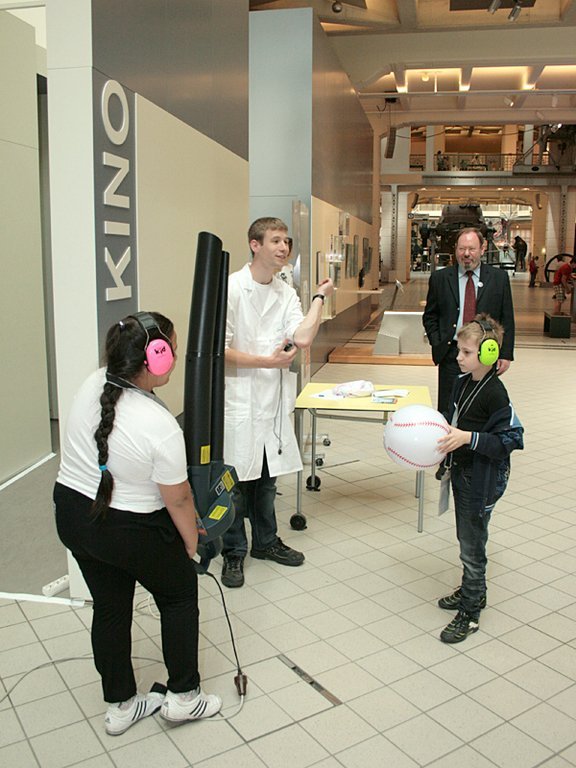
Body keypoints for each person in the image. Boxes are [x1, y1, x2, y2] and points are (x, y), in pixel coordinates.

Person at [53, 312, 221, 735]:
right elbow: (178, 499)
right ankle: (184, 697)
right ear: (155, 358)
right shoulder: (160, 426)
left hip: (73, 516)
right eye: (172, 349)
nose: (175, 356)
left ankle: (121, 705)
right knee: (179, 594)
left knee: (110, 606)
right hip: (125, 528)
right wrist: (190, 544)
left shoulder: (94, 382)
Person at [221, 217, 334, 588]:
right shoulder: (232, 288)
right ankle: (233, 552)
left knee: (267, 479)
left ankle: (265, 542)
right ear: (255, 245)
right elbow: (219, 350)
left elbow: (302, 337)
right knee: (235, 484)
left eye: (286, 241)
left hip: (272, 400)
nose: (284, 247)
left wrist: (319, 298)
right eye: (275, 241)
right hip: (239, 398)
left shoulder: (286, 292)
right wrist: (265, 362)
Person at [436, 315, 524, 643]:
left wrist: (467, 438)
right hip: (463, 471)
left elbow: (510, 440)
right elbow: (454, 420)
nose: (458, 357)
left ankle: (471, 611)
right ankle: (474, 590)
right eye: (459, 350)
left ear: (488, 354)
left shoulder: (495, 393)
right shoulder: (462, 383)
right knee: (467, 536)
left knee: (472, 544)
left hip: (482, 478)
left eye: (466, 352)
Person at [422, 227, 515, 416]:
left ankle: (474, 436)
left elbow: (507, 318)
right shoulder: (440, 278)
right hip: (451, 354)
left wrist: (505, 354)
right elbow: (430, 315)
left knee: (479, 408)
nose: (466, 254)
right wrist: (437, 340)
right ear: (455, 249)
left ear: (482, 249)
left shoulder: (498, 279)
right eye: (461, 249)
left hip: (485, 354)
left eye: (471, 249)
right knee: (448, 409)